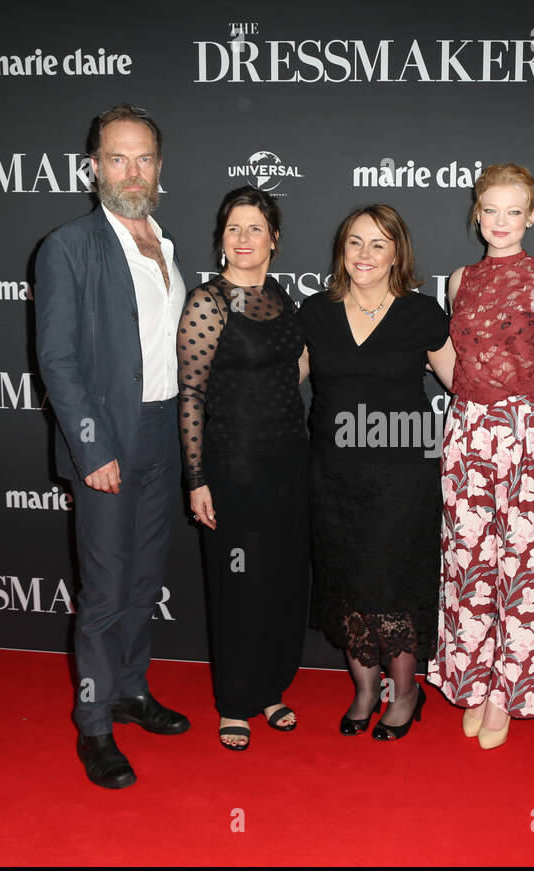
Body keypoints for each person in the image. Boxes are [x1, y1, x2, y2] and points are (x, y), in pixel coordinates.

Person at [36, 104, 191, 790]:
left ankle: (130, 690)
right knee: (103, 593)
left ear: (160, 167)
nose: (133, 171)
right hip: (108, 439)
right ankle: (94, 725)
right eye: (118, 158)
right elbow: (58, 362)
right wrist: (92, 448)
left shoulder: (167, 242)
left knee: (142, 582)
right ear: (94, 166)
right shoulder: (68, 245)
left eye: (145, 158)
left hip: (162, 431)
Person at [298, 204, 451, 741]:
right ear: (342, 249)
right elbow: (279, 380)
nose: (365, 254)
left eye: (378, 244)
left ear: (397, 254)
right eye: (355, 242)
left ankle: (405, 693)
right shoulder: (314, 312)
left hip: (402, 475)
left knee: (393, 584)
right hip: (333, 474)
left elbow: (465, 383)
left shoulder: (422, 313)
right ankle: (364, 690)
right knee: (348, 583)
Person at [427, 164, 534, 750]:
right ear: (475, 213)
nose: (501, 222)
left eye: (514, 211)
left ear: (532, 215)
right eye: (491, 210)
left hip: (529, 434)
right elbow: (454, 364)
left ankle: (510, 690)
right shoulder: (458, 280)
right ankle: (476, 680)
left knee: (525, 564)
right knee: (469, 561)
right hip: (467, 434)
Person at [177, 186, 308, 751]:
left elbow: (295, 370)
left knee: (280, 582)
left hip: (289, 463)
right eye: (234, 228)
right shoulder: (207, 302)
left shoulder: (284, 300)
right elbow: (190, 393)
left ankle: (271, 688)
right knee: (238, 585)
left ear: (274, 239)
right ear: (221, 240)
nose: (244, 239)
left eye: (256, 228)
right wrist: (198, 477)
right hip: (233, 467)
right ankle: (235, 700)